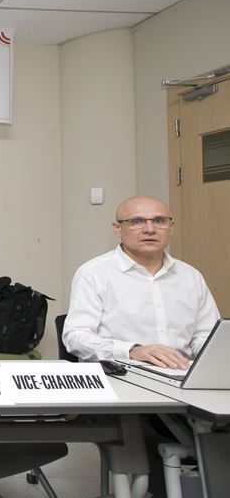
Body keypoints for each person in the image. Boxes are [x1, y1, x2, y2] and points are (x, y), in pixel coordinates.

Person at [63, 195, 220, 497]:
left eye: (159, 220)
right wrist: (132, 350)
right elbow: (76, 336)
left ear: (170, 226)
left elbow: (206, 336)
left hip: (183, 384)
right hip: (123, 386)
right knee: (149, 448)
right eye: (137, 221)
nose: (149, 228)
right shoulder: (95, 273)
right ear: (118, 229)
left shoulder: (190, 277)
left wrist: (210, 358)